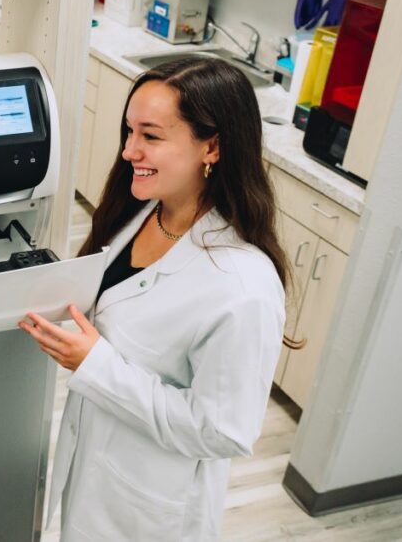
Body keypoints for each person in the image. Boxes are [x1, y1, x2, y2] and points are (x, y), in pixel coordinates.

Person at [19, 57, 288, 541]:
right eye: (129, 132)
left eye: (151, 136)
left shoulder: (242, 287)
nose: (128, 151)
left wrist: (95, 364)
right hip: (97, 468)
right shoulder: (141, 214)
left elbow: (222, 431)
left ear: (213, 146)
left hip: (150, 512)